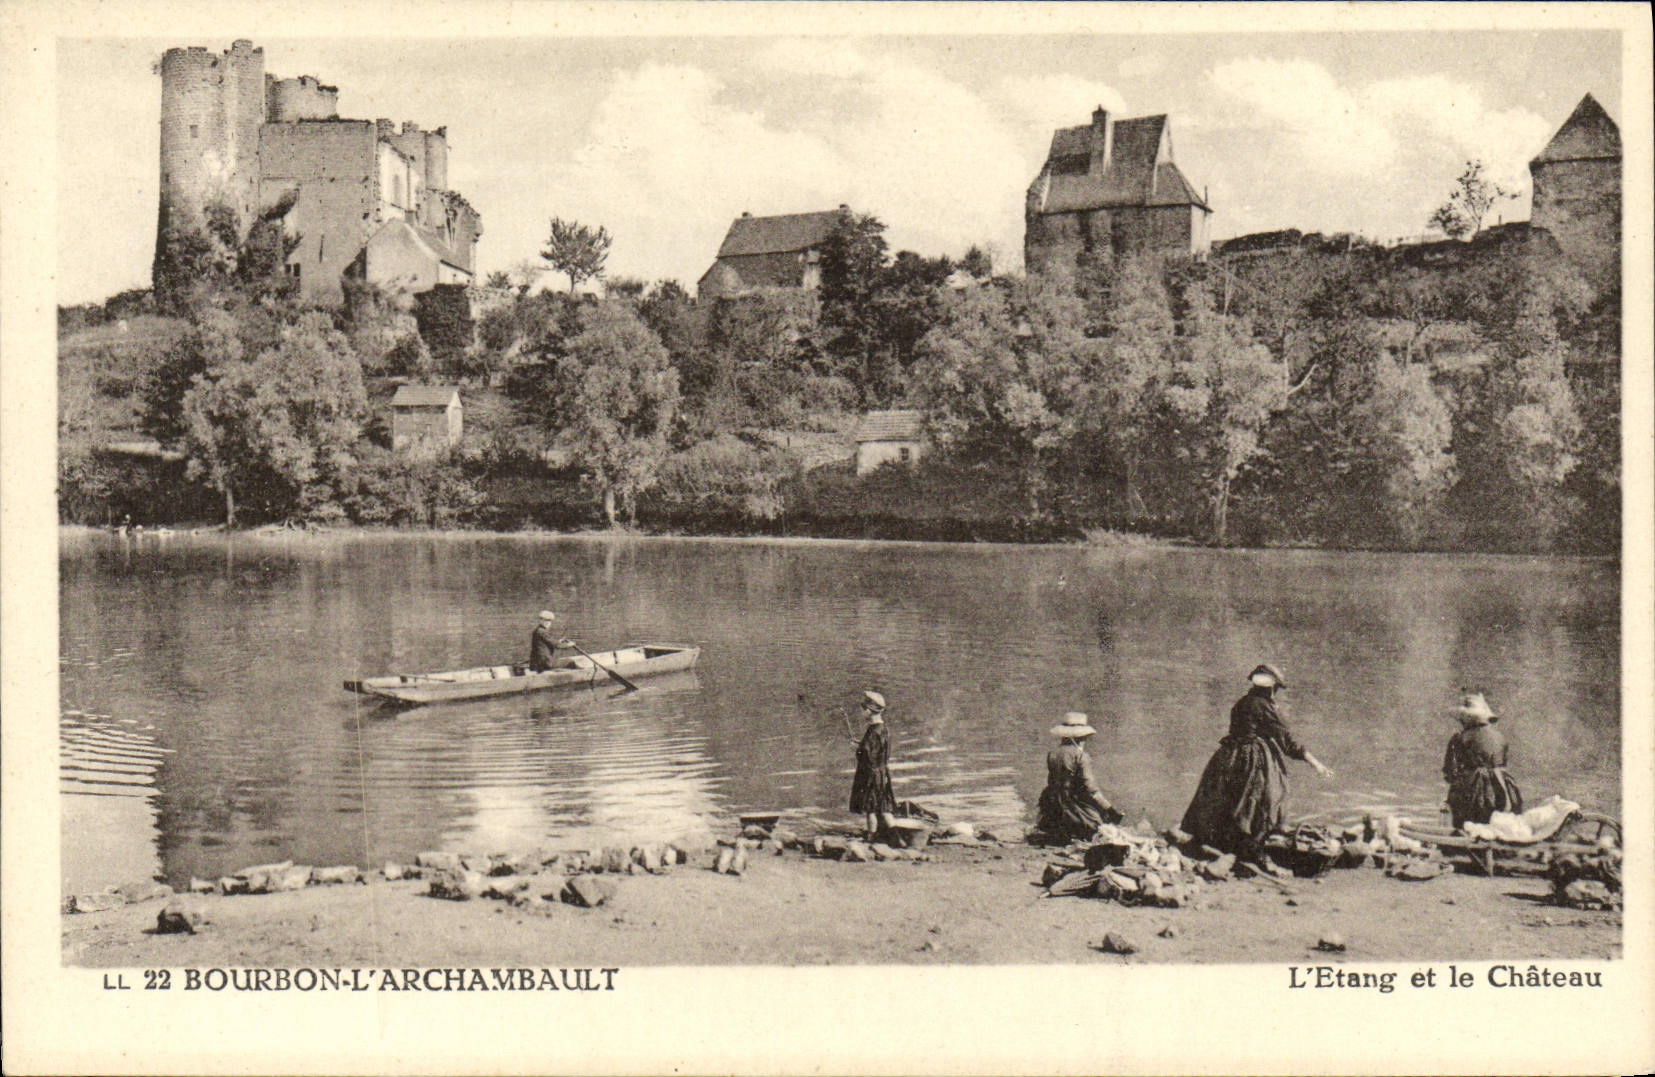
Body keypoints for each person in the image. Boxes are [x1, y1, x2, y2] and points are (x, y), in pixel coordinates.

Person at [1180, 663, 1333, 865]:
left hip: (1228, 754)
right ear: (1271, 688)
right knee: (1264, 798)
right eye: (1276, 688)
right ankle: (1249, 847)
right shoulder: (1264, 707)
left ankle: (1218, 843)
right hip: (1251, 757)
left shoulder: (1242, 702)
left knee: (1225, 798)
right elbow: (1287, 743)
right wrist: (1316, 764)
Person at [1036, 712, 1122, 843]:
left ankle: (1056, 826)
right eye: (1085, 737)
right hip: (1071, 803)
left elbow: (1052, 781)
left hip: (1052, 803)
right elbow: (1091, 789)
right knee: (1099, 825)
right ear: (1079, 738)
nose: (1085, 740)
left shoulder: (1052, 754)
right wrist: (1110, 809)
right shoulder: (1081, 756)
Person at [1442, 692, 1522, 831]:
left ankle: (1461, 833)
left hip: (1476, 792)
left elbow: (1450, 772)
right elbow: (1502, 763)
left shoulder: (1459, 738)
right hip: (1505, 790)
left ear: (1466, 719)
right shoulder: (1500, 737)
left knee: (1458, 794)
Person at [848, 691, 897, 838]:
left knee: (870, 809)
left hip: (870, 776)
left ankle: (871, 836)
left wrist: (857, 749)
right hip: (882, 774)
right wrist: (861, 744)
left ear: (869, 711)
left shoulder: (872, 732)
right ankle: (897, 837)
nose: (862, 713)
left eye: (863, 710)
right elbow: (878, 751)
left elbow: (868, 757)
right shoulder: (883, 729)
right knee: (883, 808)